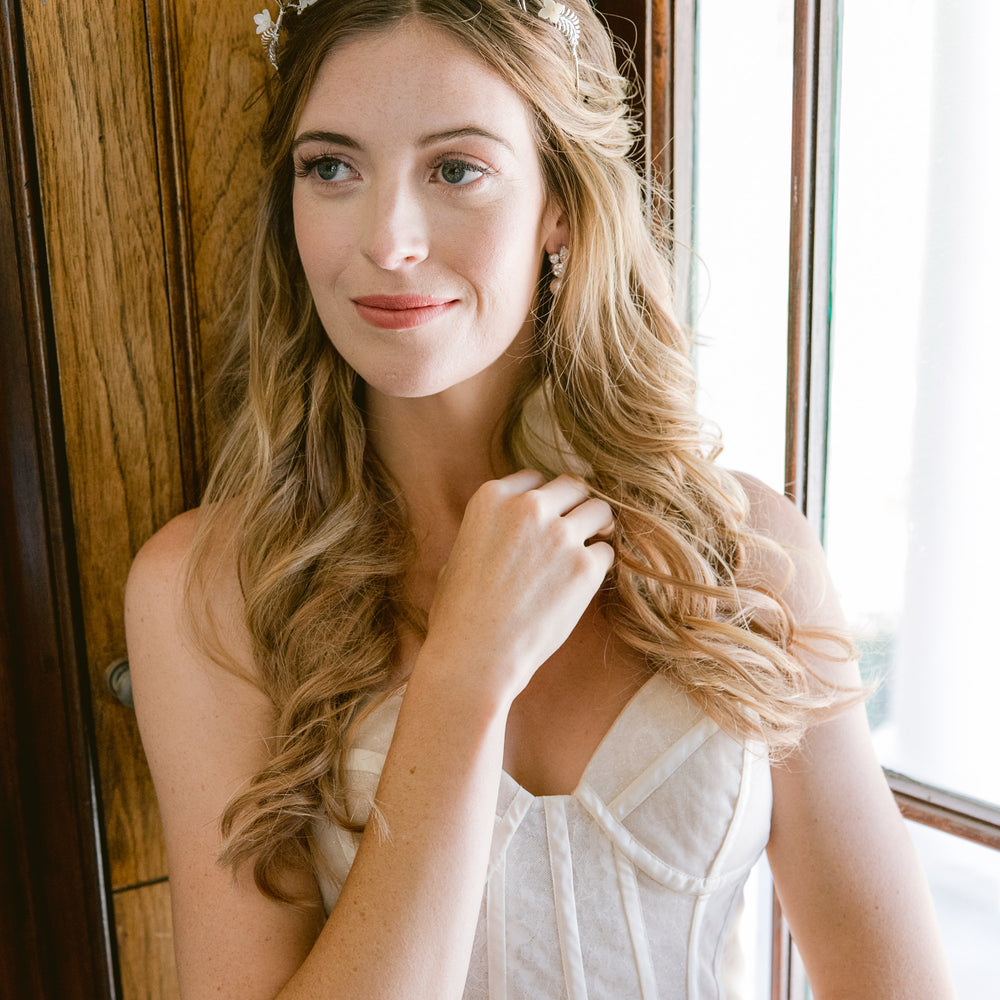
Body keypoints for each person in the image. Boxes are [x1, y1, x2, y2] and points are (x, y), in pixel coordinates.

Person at [124, 1, 955, 997]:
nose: (387, 239)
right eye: (332, 166)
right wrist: (463, 680)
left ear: (557, 202)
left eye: (456, 168)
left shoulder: (746, 552)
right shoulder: (207, 591)